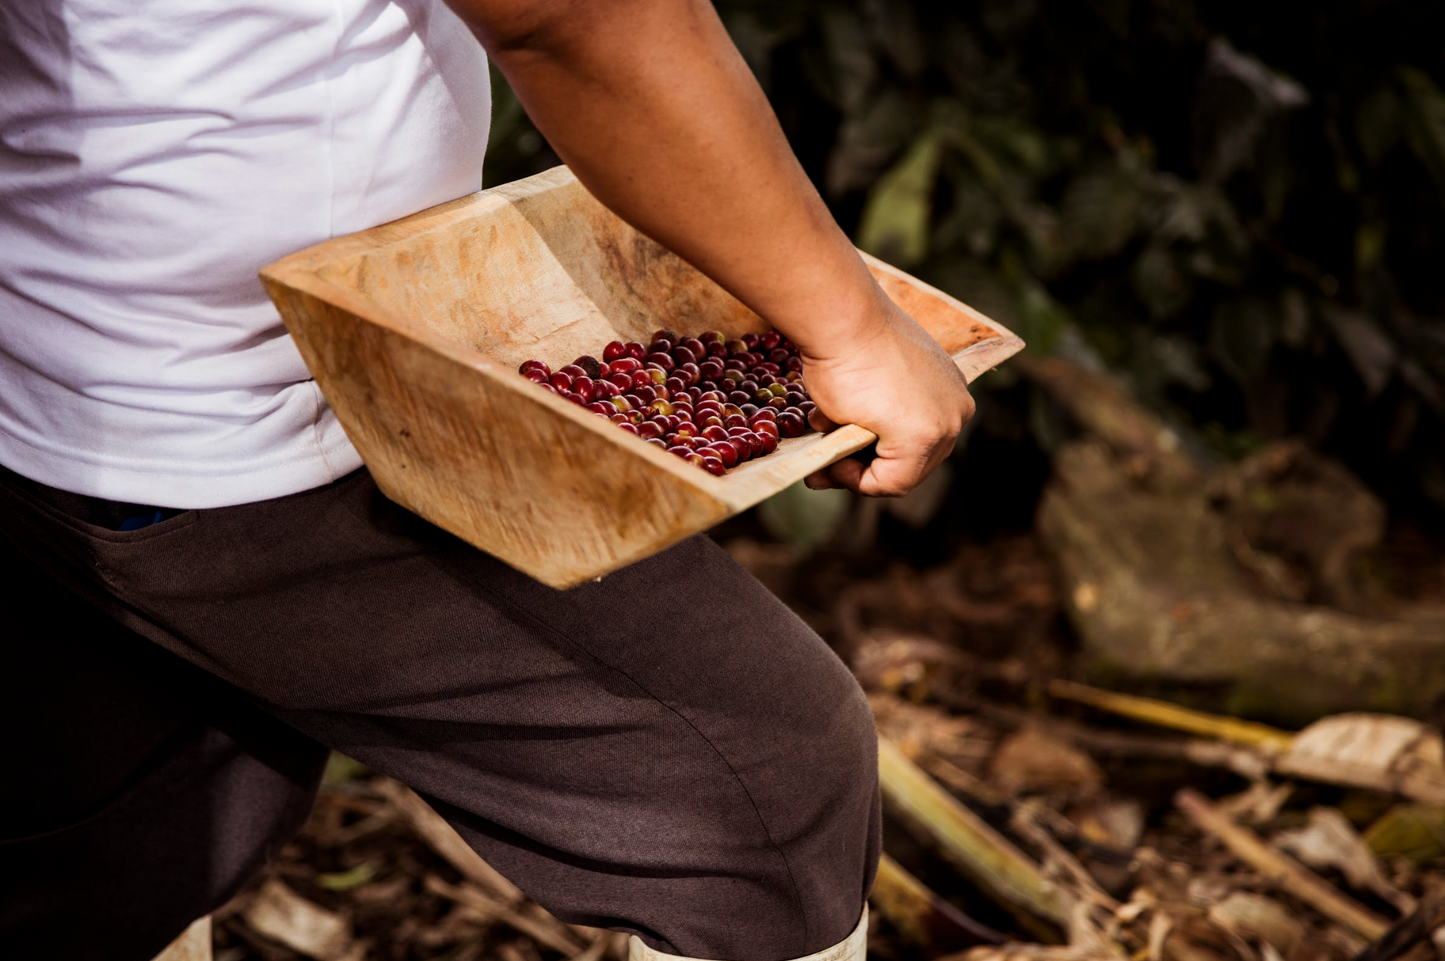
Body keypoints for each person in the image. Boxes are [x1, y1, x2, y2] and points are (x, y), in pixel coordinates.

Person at [0, 1, 976, 960]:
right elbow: (577, 22)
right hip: (270, 422)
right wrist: (845, 325)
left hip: (54, 394)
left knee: (103, 850)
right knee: (765, 782)